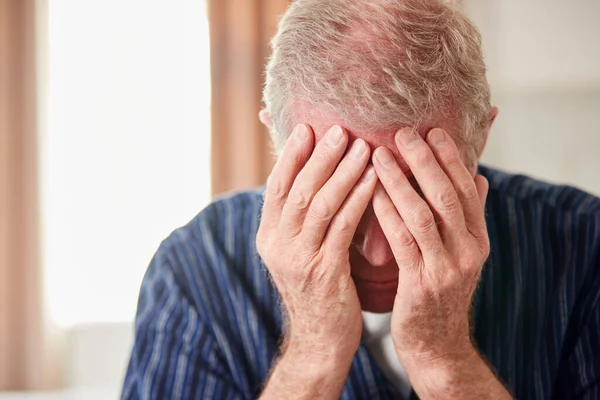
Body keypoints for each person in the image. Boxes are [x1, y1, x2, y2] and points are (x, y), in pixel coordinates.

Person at [121, 0, 600, 398]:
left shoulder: (584, 248)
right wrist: (311, 354)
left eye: (413, 192)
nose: (377, 252)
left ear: (480, 139)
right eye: (339, 193)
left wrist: (444, 361)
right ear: (279, 146)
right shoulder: (195, 269)